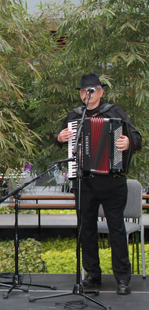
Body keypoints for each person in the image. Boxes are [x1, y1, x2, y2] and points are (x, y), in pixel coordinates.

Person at [54, 73, 142, 295]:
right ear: (81, 94)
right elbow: (60, 138)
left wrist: (127, 142)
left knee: (116, 229)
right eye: (84, 91)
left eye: (92, 90)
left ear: (101, 92)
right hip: (84, 182)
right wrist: (59, 138)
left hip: (112, 182)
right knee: (87, 230)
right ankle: (92, 276)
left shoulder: (114, 111)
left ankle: (122, 279)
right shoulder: (75, 116)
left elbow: (136, 138)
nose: (88, 94)